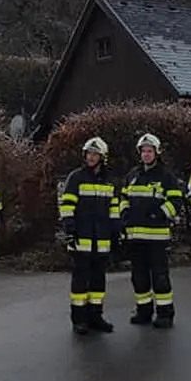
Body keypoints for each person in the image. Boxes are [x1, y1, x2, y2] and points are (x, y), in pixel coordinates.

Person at [121, 133, 185, 328]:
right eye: (144, 151)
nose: (146, 155)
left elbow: (175, 201)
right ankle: (144, 311)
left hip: (156, 237)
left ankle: (165, 313)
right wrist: (124, 215)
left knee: (159, 276)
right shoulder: (132, 175)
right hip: (135, 237)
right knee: (138, 277)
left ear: (157, 153)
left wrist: (160, 214)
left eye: (150, 151)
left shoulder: (166, 176)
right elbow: (122, 198)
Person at [58, 136, 119, 335]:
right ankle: (79, 320)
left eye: (95, 154)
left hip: (102, 240)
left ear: (102, 157)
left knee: (98, 281)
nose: (91, 157)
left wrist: (116, 233)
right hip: (80, 239)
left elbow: (114, 208)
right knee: (80, 281)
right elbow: (67, 206)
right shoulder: (76, 177)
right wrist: (70, 230)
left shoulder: (109, 179)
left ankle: (96, 316)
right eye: (89, 153)